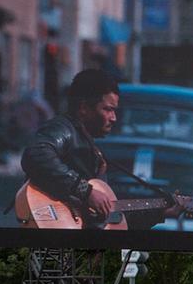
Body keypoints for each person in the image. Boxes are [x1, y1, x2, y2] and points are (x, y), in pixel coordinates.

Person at [20, 68, 121, 226]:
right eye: (108, 109)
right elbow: (36, 154)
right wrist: (85, 191)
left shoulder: (87, 142)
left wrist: (157, 214)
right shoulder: (63, 129)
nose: (113, 118)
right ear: (84, 108)